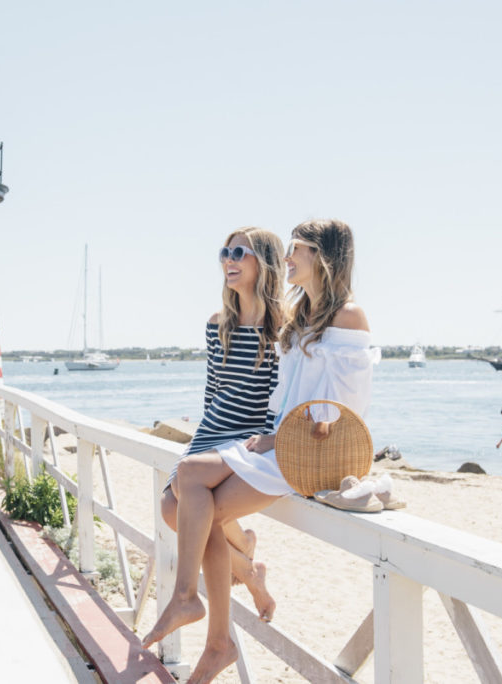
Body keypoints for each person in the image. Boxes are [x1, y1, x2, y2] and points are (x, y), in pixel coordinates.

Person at [142, 219, 378, 683]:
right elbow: (281, 394)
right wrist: (275, 432)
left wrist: (279, 434)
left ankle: (198, 606)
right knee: (190, 500)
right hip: (280, 446)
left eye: (298, 249)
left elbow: (345, 407)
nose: (289, 258)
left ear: (323, 258)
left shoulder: (349, 316)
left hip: (308, 456)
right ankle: (217, 636)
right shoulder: (305, 315)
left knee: (190, 486)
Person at [159, 227, 285, 623]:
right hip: (214, 428)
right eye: (224, 253)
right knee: (169, 507)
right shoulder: (219, 323)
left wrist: (268, 438)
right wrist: (201, 437)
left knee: (189, 499)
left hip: (248, 437)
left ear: (263, 262)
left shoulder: (283, 325)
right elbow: (213, 389)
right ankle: (249, 570)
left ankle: (196, 596)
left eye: (238, 253)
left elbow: (277, 394)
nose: (228, 260)